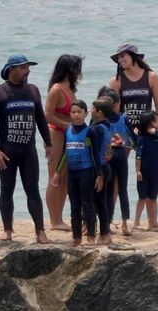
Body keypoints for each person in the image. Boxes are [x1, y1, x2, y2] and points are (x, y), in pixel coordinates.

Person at [0, 54, 52, 243]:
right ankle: (7, 230)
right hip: (8, 151)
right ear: (12, 69)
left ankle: (40, 231)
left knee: (33, 190)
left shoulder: (33, 91)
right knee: (6, 190)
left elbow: (40, 118)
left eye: (28, 67)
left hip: (28, 151)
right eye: (24, 68)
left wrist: (48, 142)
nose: (28, 71)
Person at [52, 100, 105, 247]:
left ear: (86, 114)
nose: (76, 115)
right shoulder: (68, 130)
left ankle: (91, 236)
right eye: (73, 112)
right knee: (74, 206)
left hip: (86, 172)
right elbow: (64, 153)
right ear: (70, 114)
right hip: (72, 173)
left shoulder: (90, 132)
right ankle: (76, 237)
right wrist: (57, 172)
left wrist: (99, 175)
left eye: (79, 112)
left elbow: (95, 155)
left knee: (87, 204)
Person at [44, 55, 83, 232]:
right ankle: (54, 220)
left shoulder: (71, 89)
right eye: (76, 68)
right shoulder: (56, 89)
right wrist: (68, 125)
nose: (79, 72)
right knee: (54, 177)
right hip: (56, 133)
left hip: (69, 135)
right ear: (68, 69)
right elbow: (48, 114)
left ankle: (59, 217)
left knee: (66, 177)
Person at [99, 87, 135, 235]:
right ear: (115, 104)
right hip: (120, 154)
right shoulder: (123, 117)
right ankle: (125, 224)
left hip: (106, 156)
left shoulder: (99, 119)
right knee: (122, 189)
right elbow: (134, 136)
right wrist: (135, 146)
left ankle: (107, 223)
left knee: (107, 191)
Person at [108, 43, 158, 133]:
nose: (120, 60)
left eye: (122, 56)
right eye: (118, 58)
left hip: (147, 129)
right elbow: (114, 110)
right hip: (126, 130)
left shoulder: (151, 77)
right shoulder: (116, 81)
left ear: (133, 56)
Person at [134, 110, 158, 230]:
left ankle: (153, 221)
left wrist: (150, 129)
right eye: (156, 120)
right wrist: (138, 170)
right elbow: (138, 156)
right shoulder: (142, 138)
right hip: (144, 170)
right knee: (142, 197)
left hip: (156, 169)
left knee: (153, 197)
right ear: (149, 123)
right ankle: (136, 221)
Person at [90, 98, 113, 244]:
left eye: (93, 108)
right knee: (101, 202)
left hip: (98, 168)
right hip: (104, 166)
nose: (90, 111)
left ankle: (103, 233)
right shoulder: (106, 126)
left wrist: (98, 173)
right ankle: (105, 233)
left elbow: (94, 152)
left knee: (97, 203)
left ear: (99, 113)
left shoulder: (97, 129)